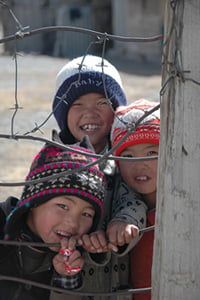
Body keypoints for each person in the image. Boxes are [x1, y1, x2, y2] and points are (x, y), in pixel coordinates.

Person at [50, 56, 147, 300]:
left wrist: (124, 223)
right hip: (66, 283)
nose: (90, 112)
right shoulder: (51, 165)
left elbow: (133, 200)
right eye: (78, 104)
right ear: (63, 113)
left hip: (117, 288)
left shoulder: (124, 162)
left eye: (102, 102)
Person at [0, 136, 106, 300]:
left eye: (87, 214)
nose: (73, 223)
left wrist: (66, 277)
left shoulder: (81, 257)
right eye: (63, 206)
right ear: (33, 202)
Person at [110, 98, 160, 300]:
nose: (140, 165)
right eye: (128, 157)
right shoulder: (113, 208)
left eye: (151, 152)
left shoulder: (188, 208)